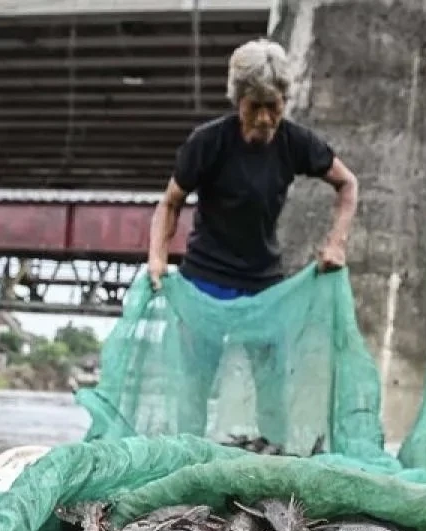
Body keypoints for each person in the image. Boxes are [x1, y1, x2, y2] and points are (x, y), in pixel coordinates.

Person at [145, 38, 360, 438]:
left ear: (284, 102)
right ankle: (186, 465)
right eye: (254, 106)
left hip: (263, 285)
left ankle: (272, 467)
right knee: (194, 388)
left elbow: (347, 185)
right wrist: (157, 256)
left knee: (272, 389)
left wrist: (337, 243)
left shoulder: (295, 142)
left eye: (273, 106)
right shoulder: (207, 142)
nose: (264, 118)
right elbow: (170, 204)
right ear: (238, 101)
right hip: (205, 282)